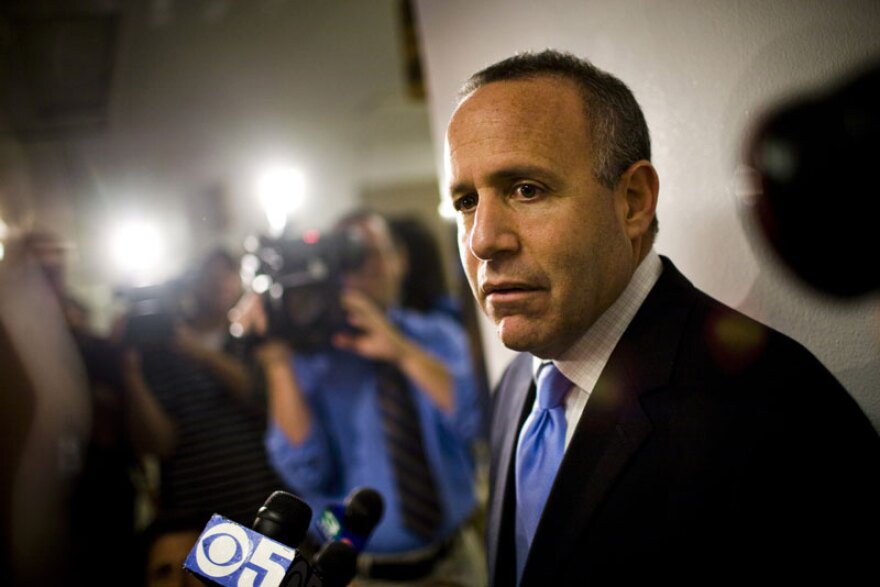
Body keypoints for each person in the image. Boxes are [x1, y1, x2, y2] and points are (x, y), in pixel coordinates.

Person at [444, 50, 880, 585]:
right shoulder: (516, 386)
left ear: (633, 201)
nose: (482, 240)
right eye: (466, 201)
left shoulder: (784, 415)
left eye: (526, 190)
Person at [249, 210, 487, 585]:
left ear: (400, 259)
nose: (361, 267)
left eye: (370, 252)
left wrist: (401, 351)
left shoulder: (439, 336)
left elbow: (480, 424)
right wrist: (277, 361)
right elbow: (305, 471)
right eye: (346, 257)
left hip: (457, 560)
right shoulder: (312, 360)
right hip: (357, 574)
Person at [124, 248, 283, 526]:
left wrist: (198, 351)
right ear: (192, 282)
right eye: (210, 275)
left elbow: (262, 401)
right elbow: (160, 443)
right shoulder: (162, 352)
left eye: (228, 274)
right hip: (193, 515)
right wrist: (129, 370)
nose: (219, 282)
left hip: (258, 504)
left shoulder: (252, 342)